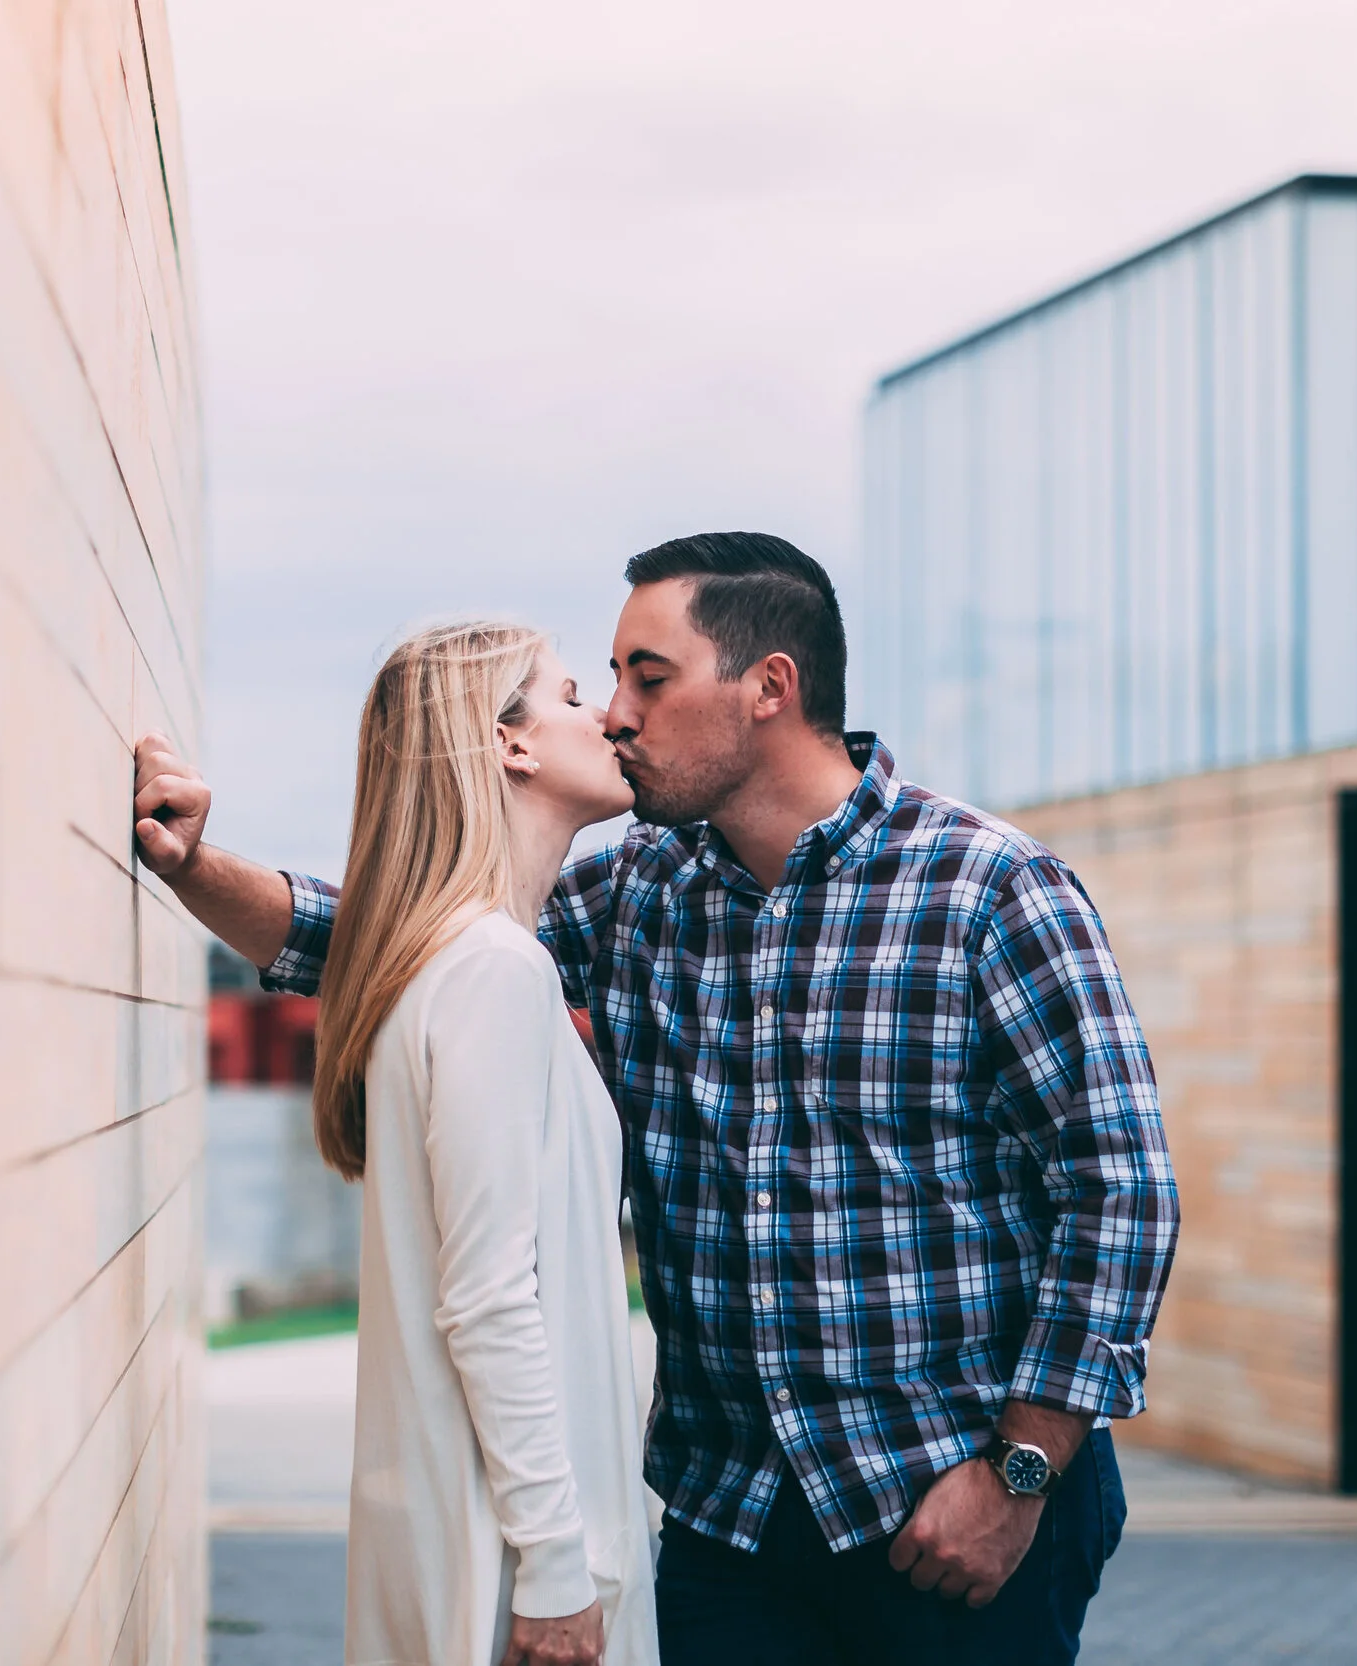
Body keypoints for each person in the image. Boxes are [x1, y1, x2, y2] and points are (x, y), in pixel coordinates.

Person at [136, 533, 1178, 1665]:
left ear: (768, 687)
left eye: (649, 676)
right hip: (728, 1526)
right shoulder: (638, 890)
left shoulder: (991, 888)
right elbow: (397, 939)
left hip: (948, 1509)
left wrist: (1018, 1472)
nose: (621, 713)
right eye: (608, 685)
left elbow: (1119, 1194)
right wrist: (195, 866)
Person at [159, 621, 657, 1665]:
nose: (608, 716)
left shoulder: (458, 960)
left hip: (487, 1544)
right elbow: (487, 1296)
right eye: (572, 695)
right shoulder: (492, 972)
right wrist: (560, 1570)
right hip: (511, 1568)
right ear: (510, 743)